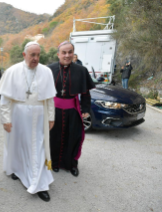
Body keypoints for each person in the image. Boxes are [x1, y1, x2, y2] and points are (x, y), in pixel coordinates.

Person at [0, 41, 56, 202]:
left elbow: (50, 99)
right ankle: (17, 170)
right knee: (17, 144)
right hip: (18, 115)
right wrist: (5, 120)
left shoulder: (46, 71)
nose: (36, 58)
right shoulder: (12, 71)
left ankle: (39, 184)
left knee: (37, 147)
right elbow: (5, 100)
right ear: (24, 55)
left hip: (39, 115)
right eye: (32, 55)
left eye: (38, 55)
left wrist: (51, 117)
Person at [48, 41, 95, 177]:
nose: (67, 55)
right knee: (54, 137)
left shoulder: (81, 70)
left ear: (73, 53)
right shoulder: (49, 69)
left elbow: (86, 92)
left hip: (73, 110)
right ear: (58, 54)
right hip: (54, 110)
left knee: (73, 137)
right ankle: (55, 163)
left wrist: (85, 108)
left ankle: (72, 164)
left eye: (70, 52)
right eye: (64, 52)